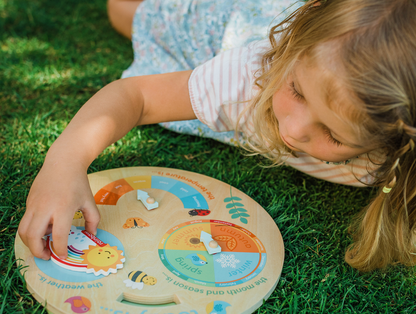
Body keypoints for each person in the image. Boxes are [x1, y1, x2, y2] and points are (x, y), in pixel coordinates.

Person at [18, 0, 416, 272]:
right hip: (224, 27)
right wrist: (64, 162)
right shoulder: (251, 75)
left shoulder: (396, 145)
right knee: (122, 10)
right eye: (296, 91)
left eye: (332, 133)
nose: (292, 130)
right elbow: (136, 96)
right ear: (293, 48)